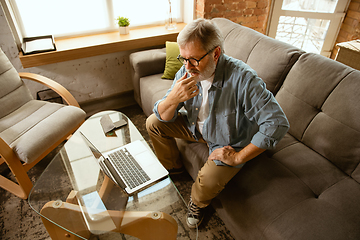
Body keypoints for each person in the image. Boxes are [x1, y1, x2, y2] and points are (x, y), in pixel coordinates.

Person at [146, 18, 289, 228]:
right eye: (183, 58)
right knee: (153, 124)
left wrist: (239, 156)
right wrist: (173, 98)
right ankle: (174, 168)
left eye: (194, 59)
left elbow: (277, 123)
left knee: (209, 181)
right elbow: (163, 116)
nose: (187, 66)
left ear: (215, 53)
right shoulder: (187, 70)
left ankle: (198, 203)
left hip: (229, 139)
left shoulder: (244, 79)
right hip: (197, 127)